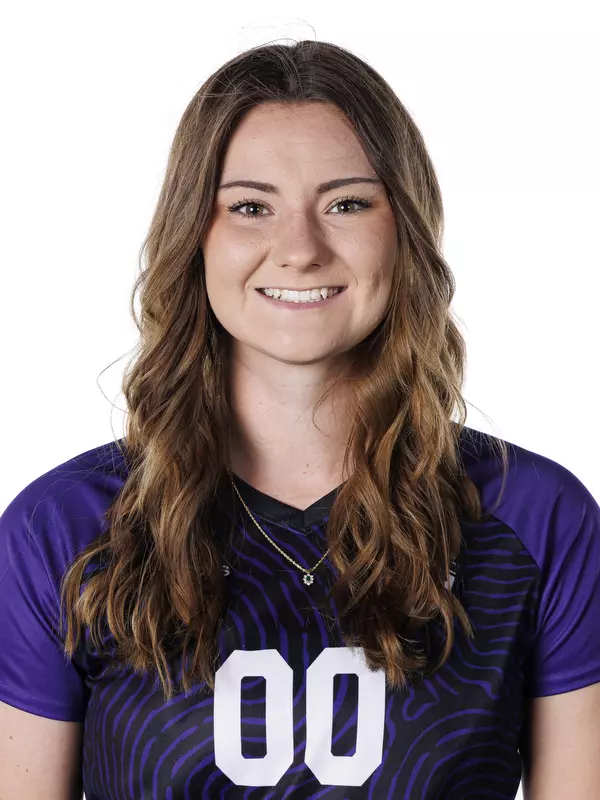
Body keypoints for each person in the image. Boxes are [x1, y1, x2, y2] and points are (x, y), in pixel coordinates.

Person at [0, 39, 599, 800]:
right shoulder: (63, 529)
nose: (300, 250)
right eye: (251, 207)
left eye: (346, 204)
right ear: (195, 235)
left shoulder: (535, 519)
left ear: (405, 229)